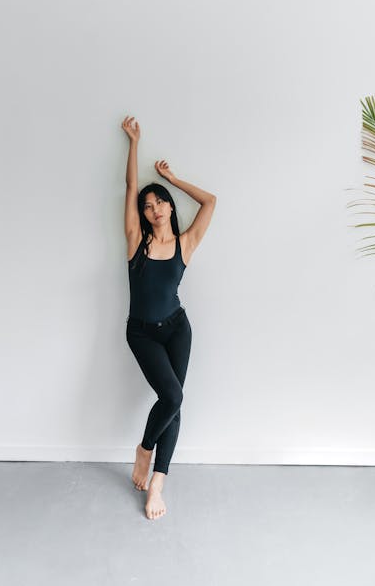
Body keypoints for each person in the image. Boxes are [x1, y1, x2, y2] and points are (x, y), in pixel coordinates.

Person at [121, 115, 217, 520]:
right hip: (141, 333)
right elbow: (129, 186)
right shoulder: (134, 242)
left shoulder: (185, 243)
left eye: (160, 202)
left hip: (178, 329)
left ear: (169, 207)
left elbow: (210, 201)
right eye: (148, 205)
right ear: (142, 214)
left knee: (174, 404)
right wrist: (134, 143)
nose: (154, 208)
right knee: (173, 397)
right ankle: (144, 450)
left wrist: (173, 179)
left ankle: (157, 482)